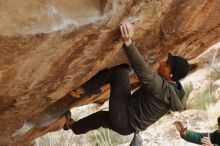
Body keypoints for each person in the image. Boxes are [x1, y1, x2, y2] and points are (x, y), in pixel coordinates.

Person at [63, 21, 190, 145]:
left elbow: (143, 70)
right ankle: (73, 127)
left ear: (171, 75)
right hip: (127, 127)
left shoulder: (162, 90)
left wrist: (128, 42)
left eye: (167, 65)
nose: (162, 63)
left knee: (120, 71)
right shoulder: (177, 92)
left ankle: (82, 90)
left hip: (124, 117)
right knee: (100, 118)